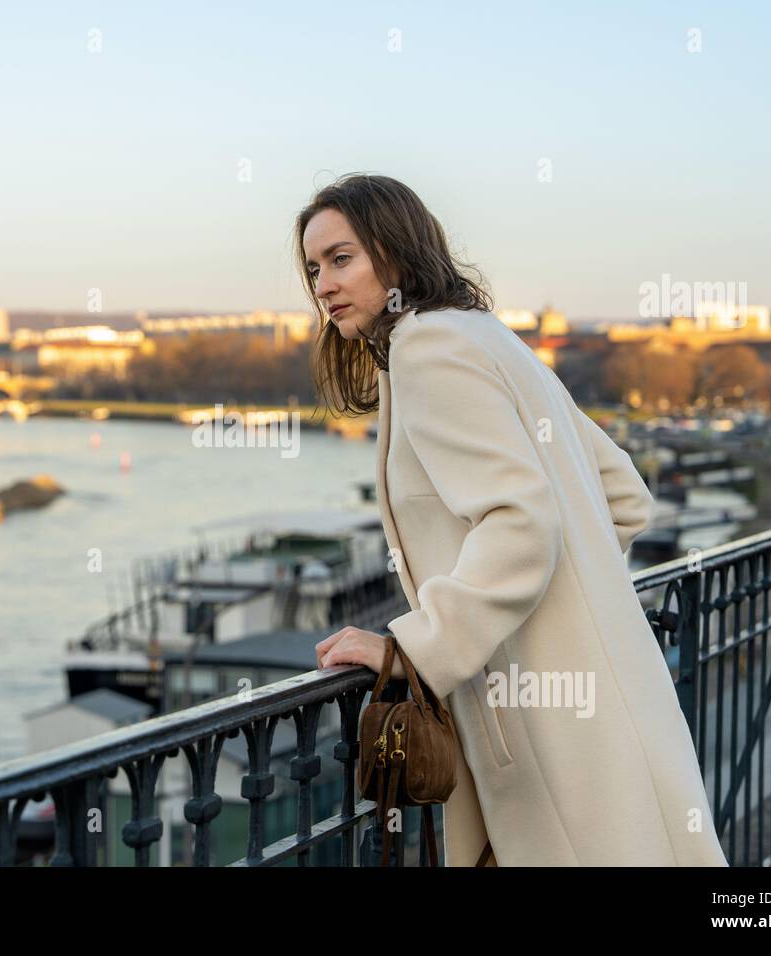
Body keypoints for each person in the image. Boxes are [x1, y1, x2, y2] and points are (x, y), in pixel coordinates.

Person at [299, 173, 728, 866]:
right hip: (611, 700)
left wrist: (417, 648)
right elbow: (623, 495)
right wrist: (569, 614)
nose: (322, 284)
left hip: (548, 733)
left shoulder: (425, 350)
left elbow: (520, 521)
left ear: (397, 251)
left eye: (341, 258)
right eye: (314, 267)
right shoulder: (484, 335)